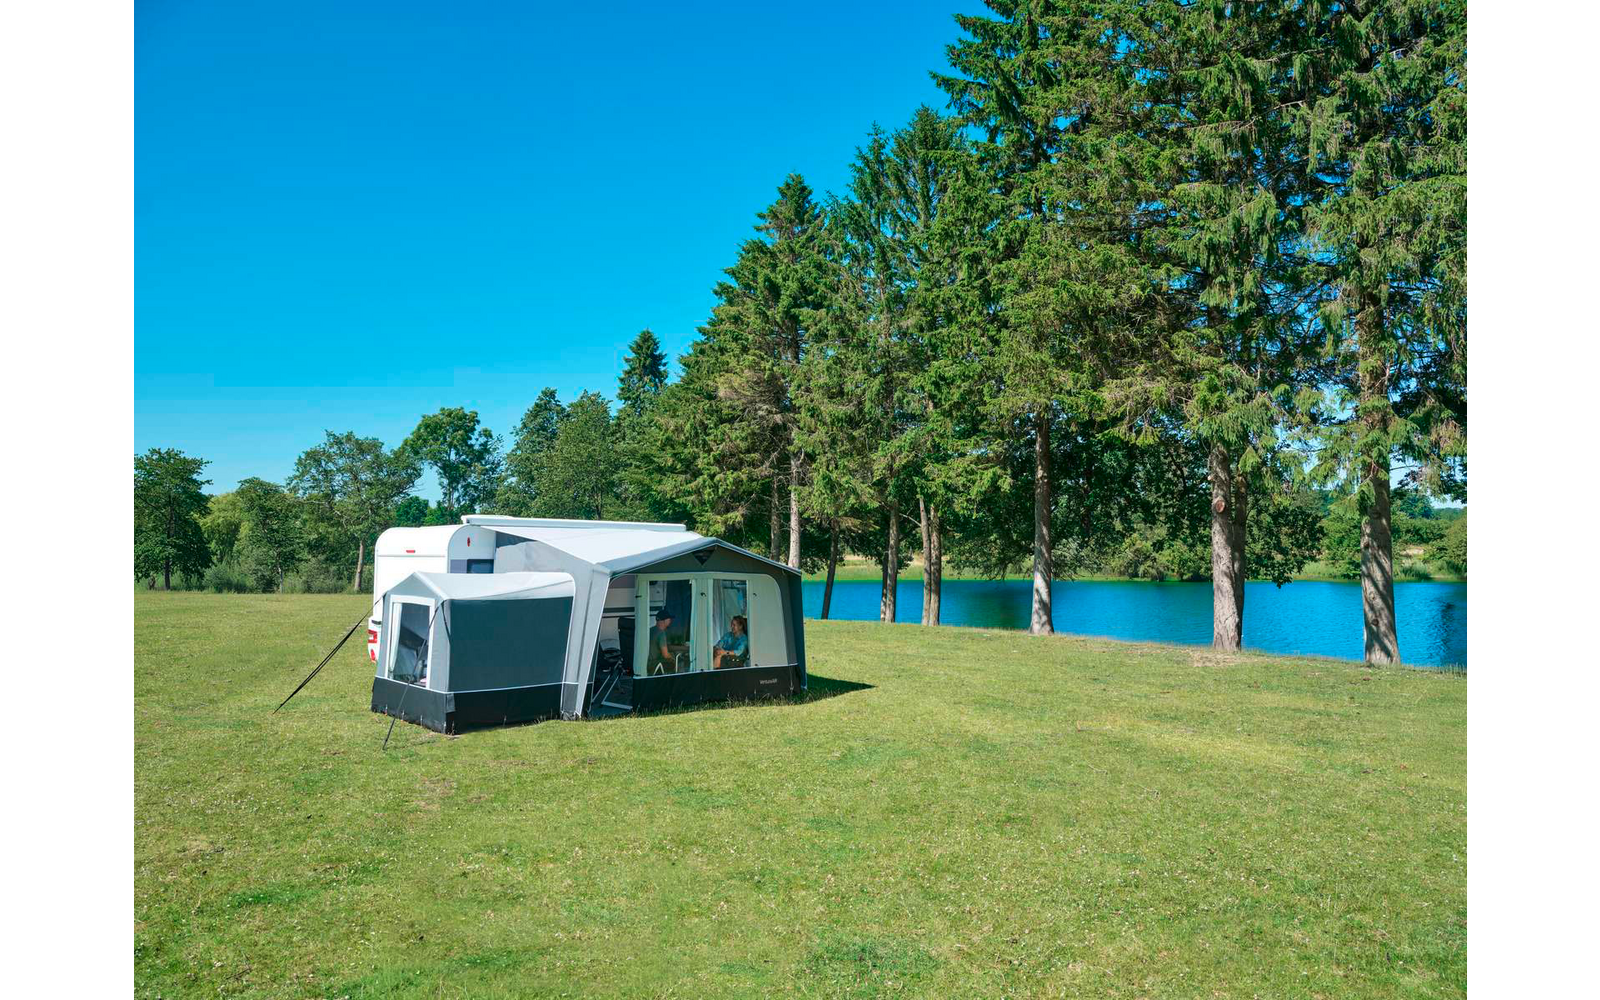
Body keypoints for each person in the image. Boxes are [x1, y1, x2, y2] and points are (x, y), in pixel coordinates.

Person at [647, 607, 675, 674]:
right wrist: (672, 657)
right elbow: (665, 655)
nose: (670, 620)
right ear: (664, 620)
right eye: (669, 619)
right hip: (653, 664)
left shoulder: (650, 630)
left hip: (645, 663)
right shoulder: (661, 633)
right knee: (672, 661)